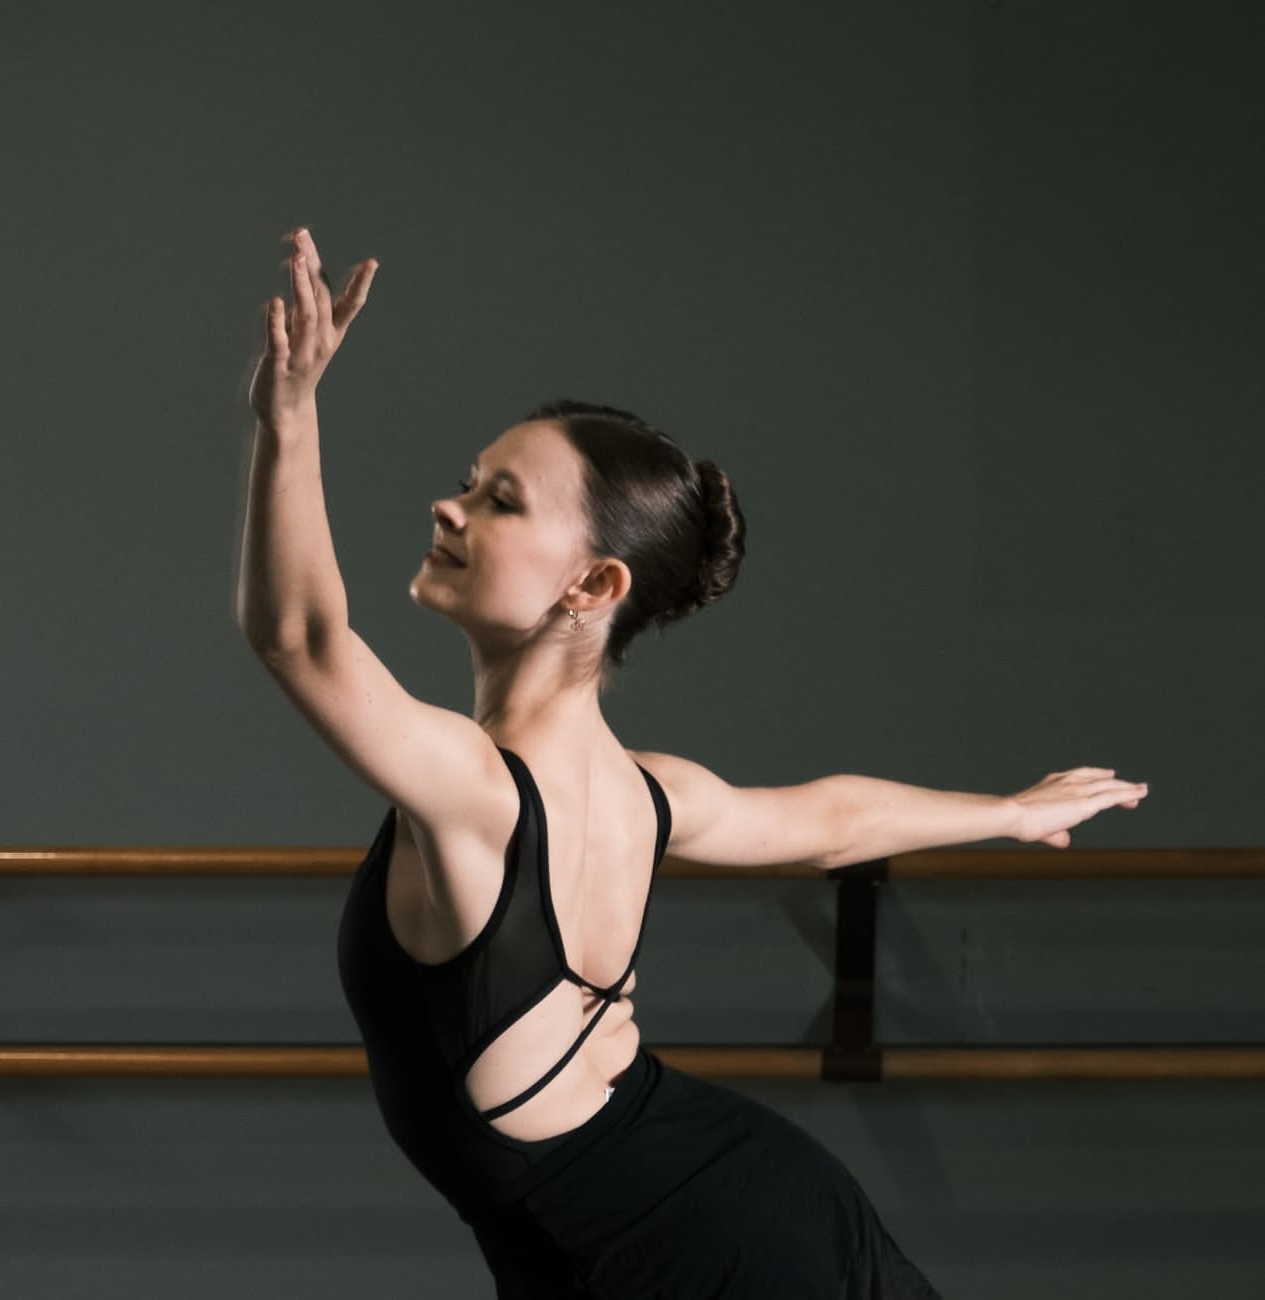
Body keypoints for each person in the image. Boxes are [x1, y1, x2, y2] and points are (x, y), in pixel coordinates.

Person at [237, 229, 1148, 1298]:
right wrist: (1002, 810)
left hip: (714, 1257)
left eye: (501, 500)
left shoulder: (479, 792)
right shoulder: (649, 792)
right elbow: (828, 822)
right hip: (703, 1220)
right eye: (470, 484)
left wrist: (287, 418)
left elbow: (301, 639)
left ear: (593, 586)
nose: (452, 507)